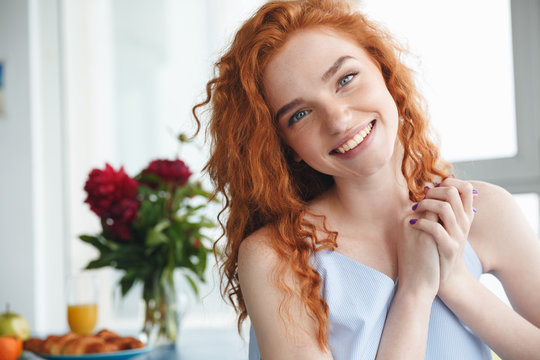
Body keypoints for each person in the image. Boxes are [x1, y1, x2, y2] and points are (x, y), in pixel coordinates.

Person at [193, 0, 540, 359]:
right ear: (286, 146)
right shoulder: (276, 257)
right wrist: (414, 293)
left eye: (345, 79)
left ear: (384, 70)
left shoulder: (484, 211)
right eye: (300, 114)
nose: (339, 120)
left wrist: (455, 282)